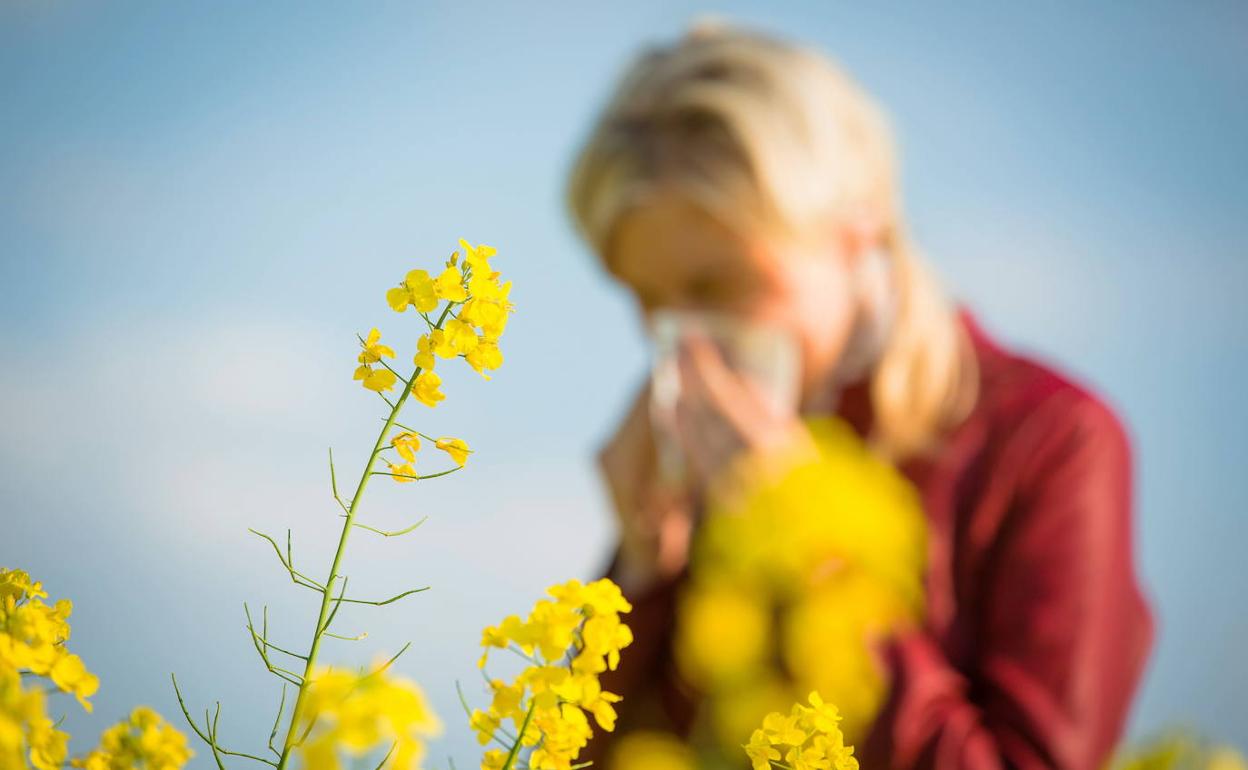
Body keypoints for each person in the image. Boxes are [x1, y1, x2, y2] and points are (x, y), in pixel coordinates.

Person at [563, 18, 1154, 770]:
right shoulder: (702, 458)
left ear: (854, 235)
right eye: (645, 298)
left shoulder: (1050, 440)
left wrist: (809, 551)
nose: (685, 338)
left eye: (717, 285)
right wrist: (639, 574)